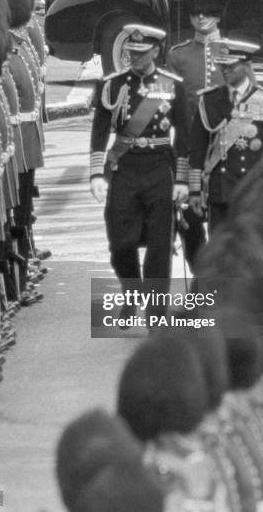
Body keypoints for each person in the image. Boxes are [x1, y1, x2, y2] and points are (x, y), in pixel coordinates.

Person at [90, 24, 189, 325]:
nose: (133, 56)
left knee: (159, 246)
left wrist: (183, 180)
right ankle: (131, 296)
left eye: (140, 52)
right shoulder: (112, 85)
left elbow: (184, 134)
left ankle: (156, 313)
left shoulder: (173, 85)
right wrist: (96, 174)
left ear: (156, 51)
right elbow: (99, 131)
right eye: (130, 52)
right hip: (125, 169)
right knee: (121, 243)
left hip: (160, 167)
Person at [167, 0, 237, 268]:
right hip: (187, 157)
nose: (201, 16)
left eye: (207, 10)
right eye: (196, 11)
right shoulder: (177, 56)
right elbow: (166, 108)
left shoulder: (234, 55)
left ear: (218, 11)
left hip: (224, 155)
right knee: (191, 229)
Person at [189, 39, 263, 232]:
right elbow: (197, 148)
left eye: (231, 65)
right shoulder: (210, 99)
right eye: (222, 65)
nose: (225, 70)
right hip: (219, 190)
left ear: (247, 66)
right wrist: (194, 189)